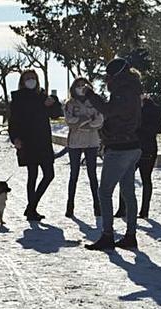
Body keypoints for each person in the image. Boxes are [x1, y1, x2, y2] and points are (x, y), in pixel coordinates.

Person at [82, 58, 144, 251]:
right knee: (128, 192)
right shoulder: (131, 88)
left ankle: (107, 235)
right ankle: (130, 236)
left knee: (105, 191)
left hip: (120, 148)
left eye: (108, 76)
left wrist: (91, 95)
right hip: (132, 146)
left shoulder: (123, 91)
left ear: (115, 76)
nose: (106, 80)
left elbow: (108, 111)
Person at [9, 70, 63, 220]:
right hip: (27, 141)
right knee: (32, 175)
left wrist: (53, 102)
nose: (30, 81)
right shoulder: (18, 98)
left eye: (33, 78)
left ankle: (31, 206)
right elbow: (13, 120)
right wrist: (15, 138)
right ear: (22, 81)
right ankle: (32, 209)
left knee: (49, 174)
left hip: (43, 141)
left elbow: (55, 114)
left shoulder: (42, 96)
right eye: (27, 78)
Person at [59, 77, 104, 218]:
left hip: (92, 141)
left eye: (83, 85)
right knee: (74, 175)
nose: (81, 87)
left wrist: (83, 123)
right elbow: (69, 120)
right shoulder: (69, 104)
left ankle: (98, 206)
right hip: (75, 142)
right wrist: (85, 121)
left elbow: (99, 120)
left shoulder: (95, 102)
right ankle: (70, 205)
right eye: (78, 85)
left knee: (93, 175)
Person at [117, 92, 161, 220]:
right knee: (146, 179)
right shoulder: (156, 109)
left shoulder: (134, 109)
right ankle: (144, 211)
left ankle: (122, 209)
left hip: (133, 147)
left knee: (125, 178)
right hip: (150, 147)